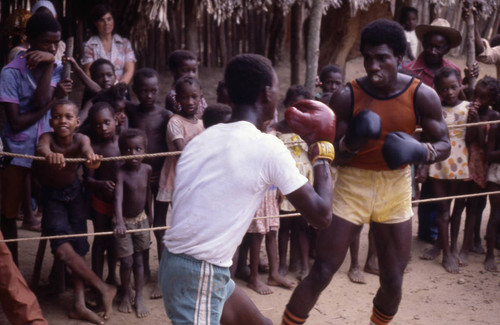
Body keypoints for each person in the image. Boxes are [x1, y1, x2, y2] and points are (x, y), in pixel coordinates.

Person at [282, 19, 450, 325]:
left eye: (382, 58)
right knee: (321, 271)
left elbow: (444, 143)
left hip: (396, 186)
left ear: (399, 58)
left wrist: (422, 152)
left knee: (393, 279)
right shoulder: (348, 96)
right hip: (352, 185)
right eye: (368, 57)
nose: (373, 65)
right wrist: (352, 142)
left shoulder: (421, 95)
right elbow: (332, 156)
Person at [159, 53, 335, 325]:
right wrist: (323, 149)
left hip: (189, 265)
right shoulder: (265, 146)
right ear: (267, 94)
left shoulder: (201, 140)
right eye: (276, 89)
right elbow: (321, 216)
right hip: (199, 270)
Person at [34, 99, 116, 324]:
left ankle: (79, 304)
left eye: (68, 117)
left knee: (78, 248)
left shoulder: (82, 139)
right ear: (51, 122)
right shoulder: (47, 139)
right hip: (53, 199)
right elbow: (41, 148)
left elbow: (89, 154)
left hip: (76, 196)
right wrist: (49, 154)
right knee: (62, 249)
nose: (63, 121)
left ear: (77, 122)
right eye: (58, 117)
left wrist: (92, 161)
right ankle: (102, 287)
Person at [0, 12, 70, 261]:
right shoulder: (10, 73)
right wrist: (53, 101)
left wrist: (51, 62)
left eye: (56, 43)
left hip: (47, 148)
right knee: (8, 214)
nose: (52, 48)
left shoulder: (59, 67)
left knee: (62, 202)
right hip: (16, 149)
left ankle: (58, 275)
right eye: (45, 43)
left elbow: (40, 99)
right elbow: (17, 123)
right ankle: (13, 272)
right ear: (29, 41)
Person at [402, 18, 463, 245]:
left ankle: (430, 232)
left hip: (442, 136)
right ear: (423, 44)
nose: (433, 51)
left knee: (435, 184)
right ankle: (408, 233)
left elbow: (460, 101)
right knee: (414, 184)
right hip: (415, 134)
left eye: (439, 47)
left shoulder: (454, 71)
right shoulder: (409, 71)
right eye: (429, 45)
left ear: (447, 48)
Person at [419, 67, 471, 273]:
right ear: (437, 90)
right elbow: (427, 138)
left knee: (457, 209)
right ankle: (446, 253)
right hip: (440, 161)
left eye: (453, 87)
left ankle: (445, 245)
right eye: (444, 89)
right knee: (442, 209)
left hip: (462, 161)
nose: (449, 92)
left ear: (460, 86)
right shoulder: (435, 110)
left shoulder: (469, 107)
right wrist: (423, 165)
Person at [126, 67, 172, 296]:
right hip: (138, 179)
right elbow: (103, 96)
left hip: (159, 178)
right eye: (144, 91)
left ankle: (162, 274)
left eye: (153, 91)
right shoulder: (130, 110)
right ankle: (142, 270)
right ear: (134, 91)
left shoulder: (164, 115)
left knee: (160, 225)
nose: (149, 96)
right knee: (140, 222)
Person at [458, 76, 500, 265]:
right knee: (462, 205)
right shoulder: (468, 111)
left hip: (483, 165)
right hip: (467, 162)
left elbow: (486, 146)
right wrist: (471, 120)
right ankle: (463, 247)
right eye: (475, 96)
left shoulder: (494, 117)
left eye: (482, 98)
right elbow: (467, 140)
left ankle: (472, 243)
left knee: (477, 206)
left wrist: (477, 122)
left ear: (492, 100)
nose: (477, 101)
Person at [276, 85, 314, 281]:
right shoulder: (278, 128)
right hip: (284, 182)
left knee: (302, 225)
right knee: (284, 227)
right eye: (292, 105)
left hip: (304, 182)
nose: (296, 110)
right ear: (285, 105)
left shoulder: (308, 128)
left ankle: (304, 265)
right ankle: (282, 263)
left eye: (301, 106)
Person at [113, 128, 152, 318]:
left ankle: (138, 297)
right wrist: (119, 222)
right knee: (126, 261)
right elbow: (118, 199)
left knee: (138, 260)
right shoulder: (121, 173)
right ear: (121, 152)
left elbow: (148, 194)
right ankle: (126, 294)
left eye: (138, 149)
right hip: (124, 223)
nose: (133, 154)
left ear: (145, 150)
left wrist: (150, 216)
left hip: (141, 220)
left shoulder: (147, 170)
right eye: (127, 150)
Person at [84, 102, 121, 297]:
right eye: (97, 125)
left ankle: (113, 277)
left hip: (120, 203)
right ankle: (96, 280)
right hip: (100, 202)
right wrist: (101, 184)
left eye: (107, 122)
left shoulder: (123, 143)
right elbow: (88, 180)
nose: (103, 128)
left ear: (115, 120)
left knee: (115, 240)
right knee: (100, 240)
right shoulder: (94, 148)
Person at [157, 76, 205, 206]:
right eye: (184, 97)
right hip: (176, 174)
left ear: (201, 96)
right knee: (174, 213)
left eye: (194, 97)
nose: (190, 102)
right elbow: (183, 151)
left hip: (195, 173)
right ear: (177, 99)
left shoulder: (201, 123)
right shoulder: (175, 122)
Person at [81, 3, 136, 85]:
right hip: (97, 90)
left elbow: (129, 70)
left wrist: (118, 88)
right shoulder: (89, 45)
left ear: (113, 20)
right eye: (101, 20)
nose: (106, 23)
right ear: (96, 23)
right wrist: (102, 92)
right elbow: (88, 73)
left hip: (120, 89)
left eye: (109, 19)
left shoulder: (124, 43)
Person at [165, 49, 208, 117]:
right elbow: (187, 118)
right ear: (173, 70)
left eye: (194, 71)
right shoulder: (173, 96)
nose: (191, 75)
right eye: (185, 71)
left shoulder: (196, 91)